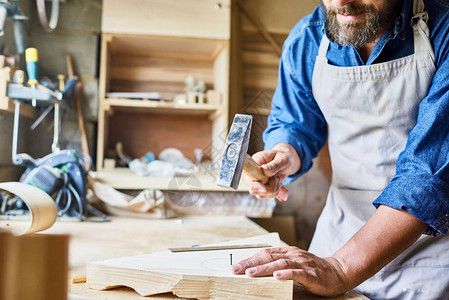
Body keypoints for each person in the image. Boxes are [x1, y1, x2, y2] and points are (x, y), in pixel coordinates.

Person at [232, 0, 449, 298]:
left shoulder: (443, 28)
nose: (341, 2)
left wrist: (341, 268)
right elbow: (295, 124)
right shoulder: (307, 38)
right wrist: (284, 155)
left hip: (430, 259)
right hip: (337, 239)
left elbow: (427, 176)